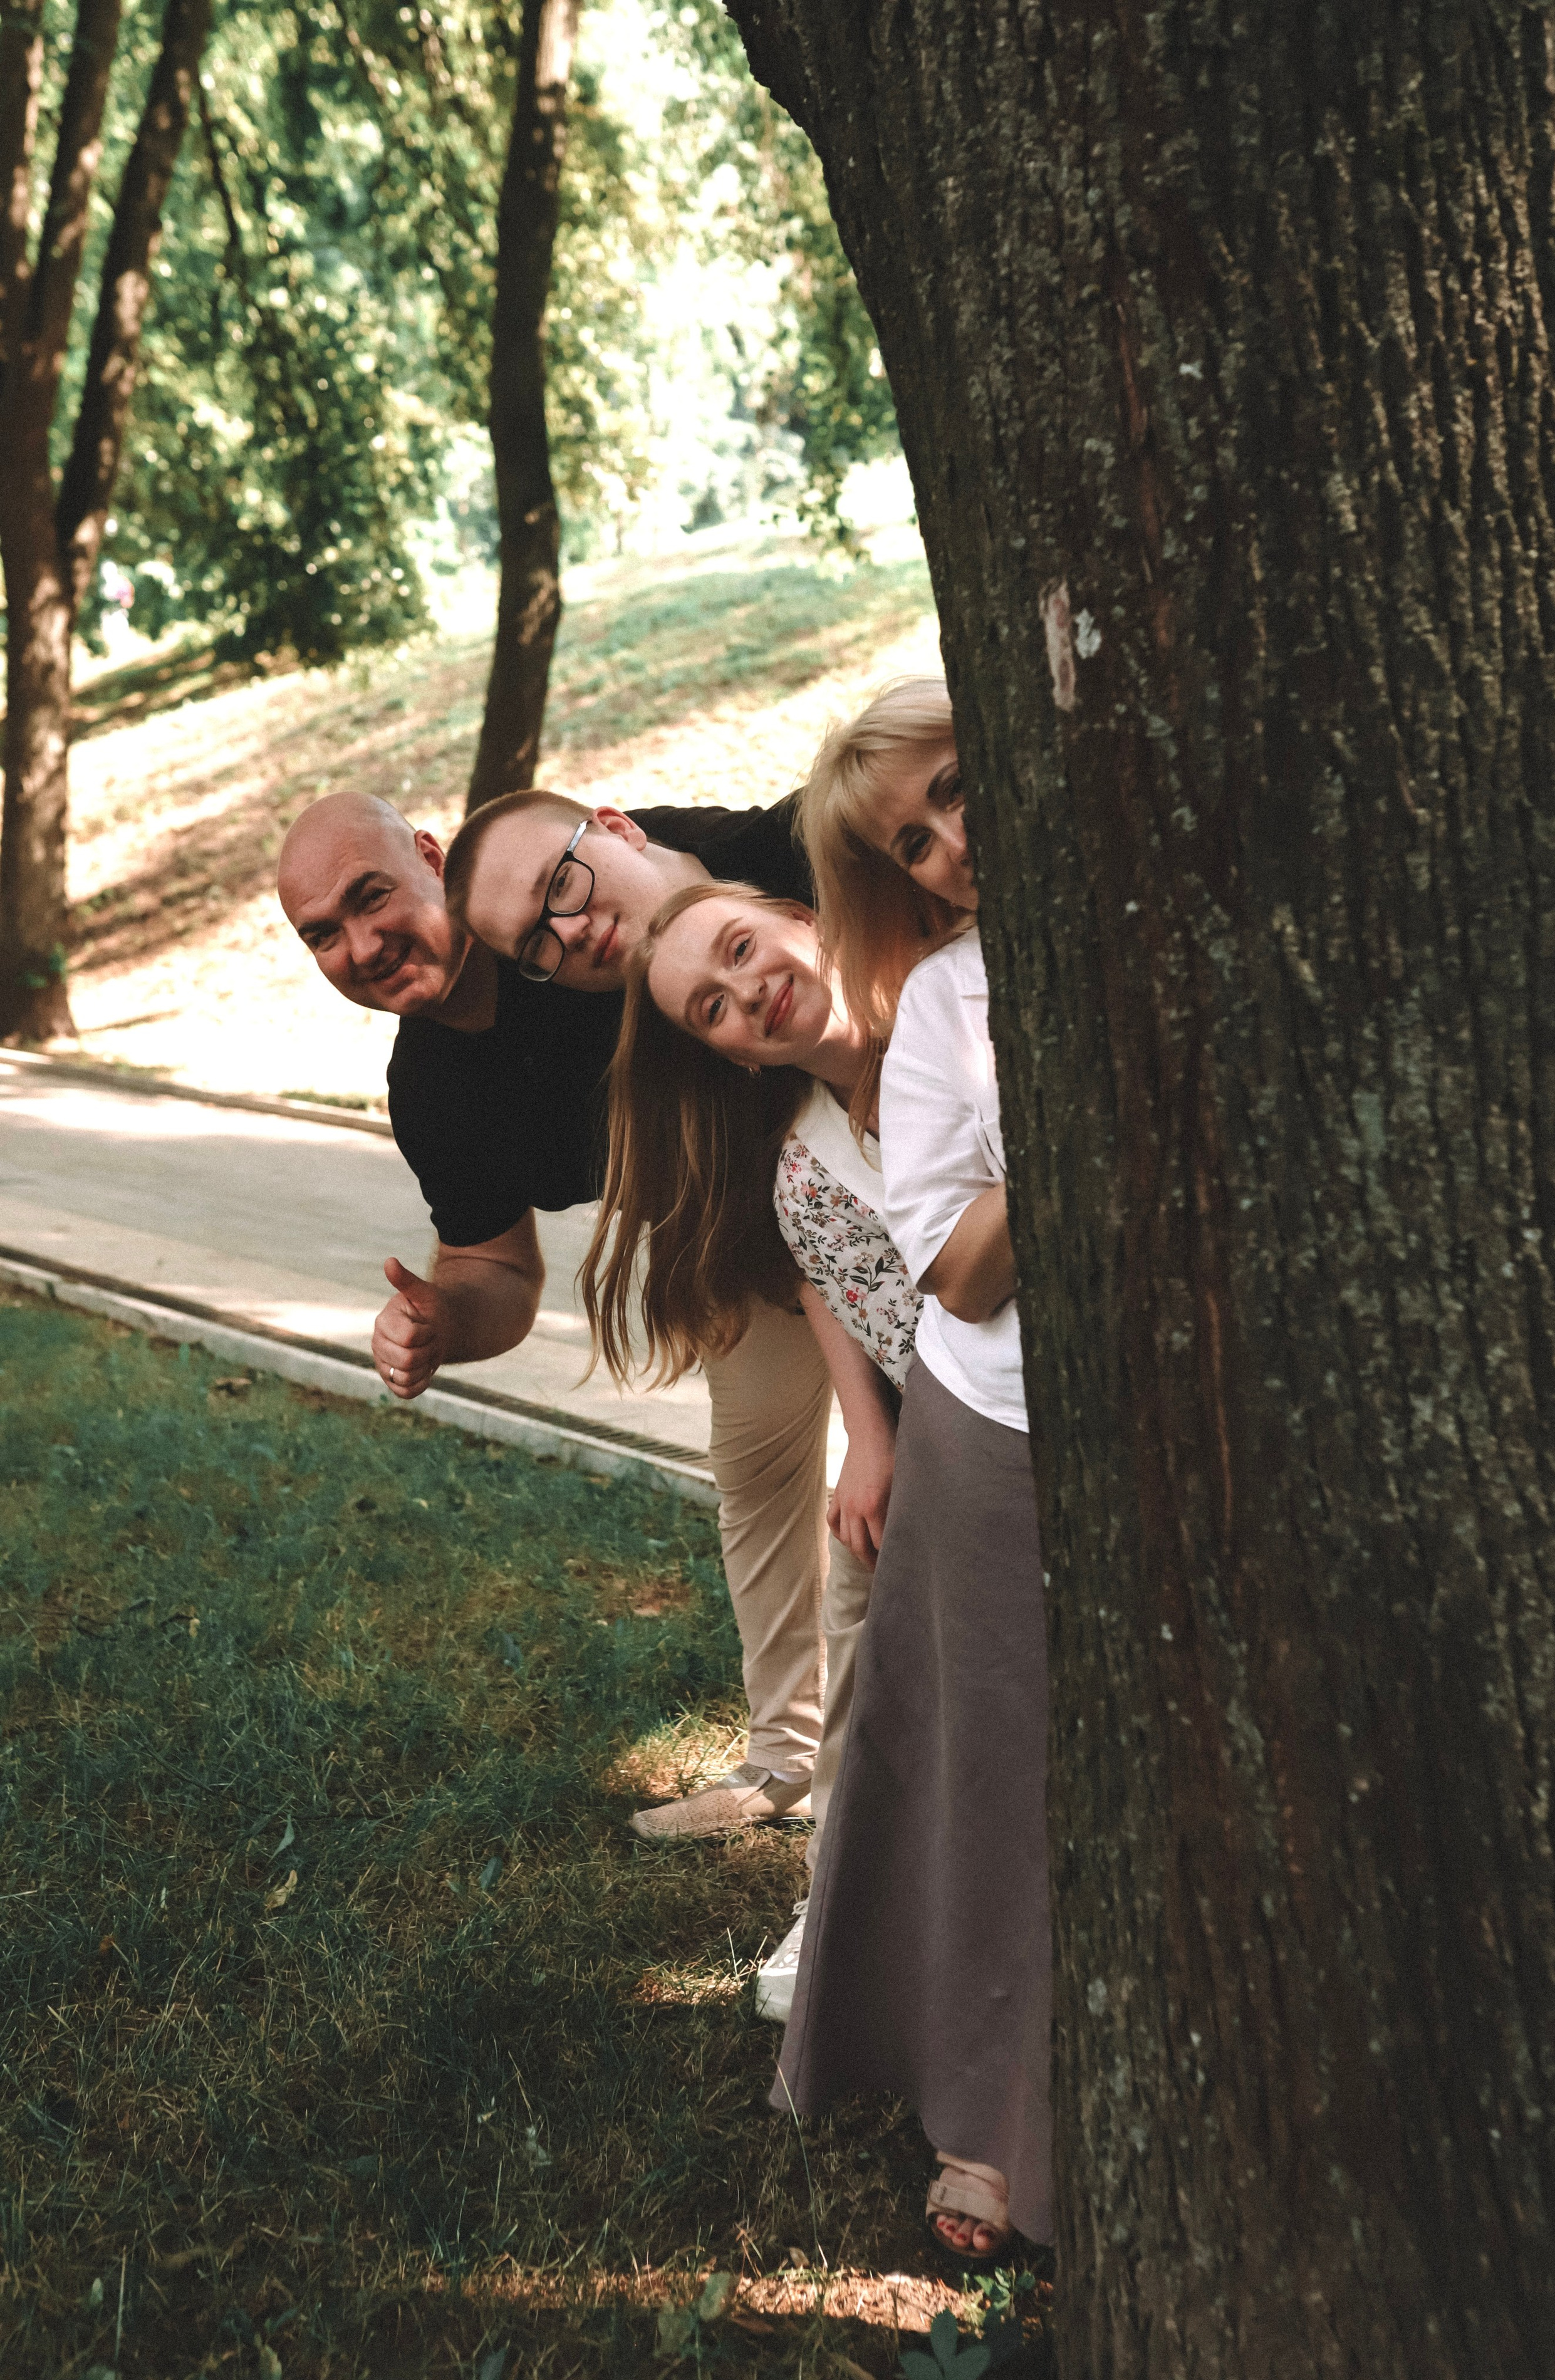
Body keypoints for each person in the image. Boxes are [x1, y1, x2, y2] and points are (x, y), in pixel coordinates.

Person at [276, 784, 870, 1859]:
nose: (362, 944)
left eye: (372, 898)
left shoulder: (579, 888)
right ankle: (785, 1763)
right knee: (760, 1495)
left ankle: (873, 1792)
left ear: (427, 854)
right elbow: (493, 1267)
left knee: (894, 1500)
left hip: (875, 1196)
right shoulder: (432, 1090)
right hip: (743, 1260)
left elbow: (801, 833)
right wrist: (440, 1323)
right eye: (323, 935)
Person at [766, 677, 1051, 2262]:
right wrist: (1056, 1105)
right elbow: (951, 1269)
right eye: (913, 838)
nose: (950, 843)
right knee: (993, 1769)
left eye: (955, 788)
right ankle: (984, 2118)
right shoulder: (948, 1002)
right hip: (996, 1422)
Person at [583, 877, 923, 2011]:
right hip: (937, 1416)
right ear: (727, 1058)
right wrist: (866, 1444)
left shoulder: (950, 1018)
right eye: (712, 1009)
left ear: (801, 917)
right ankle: (831, 1905)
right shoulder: (798, 1158)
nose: (747, 992)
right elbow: (834, 1288)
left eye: (742, 949)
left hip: (1017, 1406)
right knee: (856, 1595)